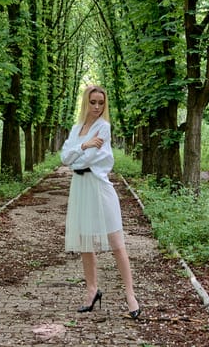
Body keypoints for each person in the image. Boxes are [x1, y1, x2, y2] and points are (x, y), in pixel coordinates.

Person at [60, 85, 140, 319]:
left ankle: (130, 294)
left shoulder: (103, 128)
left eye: (101, 103)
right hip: (80, 188)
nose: (97, 107)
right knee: (86, 242)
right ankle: (92, 291)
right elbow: (66, 159)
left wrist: (79, 153)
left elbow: (89, 159)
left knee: (116, 242)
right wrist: (83, 145)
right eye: (93, 102)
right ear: (85, 102)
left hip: (99, 187)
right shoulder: (76, 130)